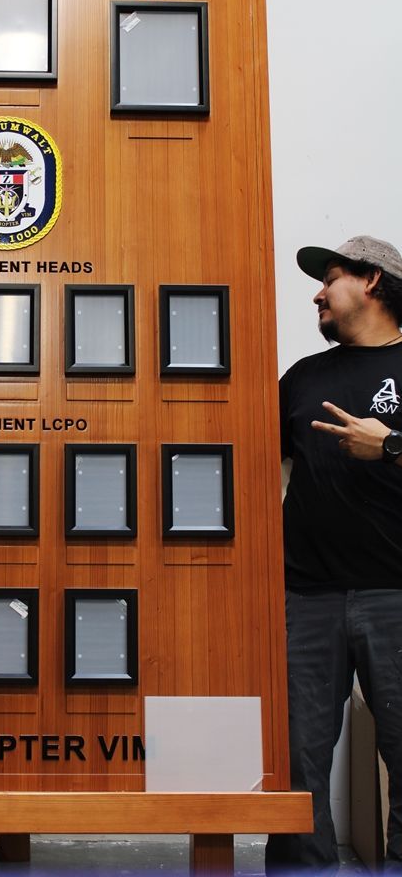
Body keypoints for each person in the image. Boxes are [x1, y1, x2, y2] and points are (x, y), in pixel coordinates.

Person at [265, 235, 402, 875]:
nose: (318, 292)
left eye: (332, 277)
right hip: (305, 598)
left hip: (396, 596)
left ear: (373, 281)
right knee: (296, 767)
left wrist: (393, 445)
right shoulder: (303, 378)